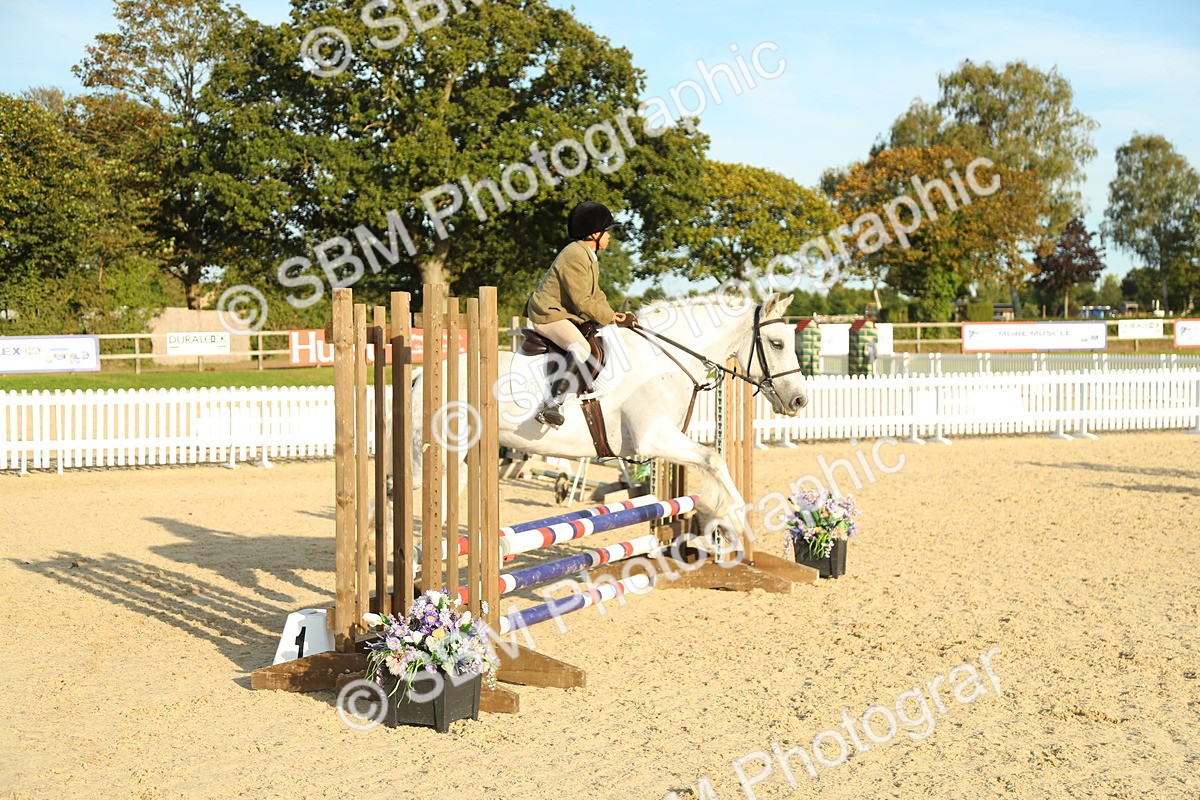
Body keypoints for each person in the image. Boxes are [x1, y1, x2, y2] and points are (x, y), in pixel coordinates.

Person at [525, 201, 637, 427]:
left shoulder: (588, 255)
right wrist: (612, 317)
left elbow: (596, 294)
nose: (609, 237)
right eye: (607, 231)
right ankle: (551, 405)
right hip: (548, 314)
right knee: (581, 348)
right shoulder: (575, 255)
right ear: (594, 234)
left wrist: (614, 316)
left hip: (561, 314)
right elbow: (582, 300)